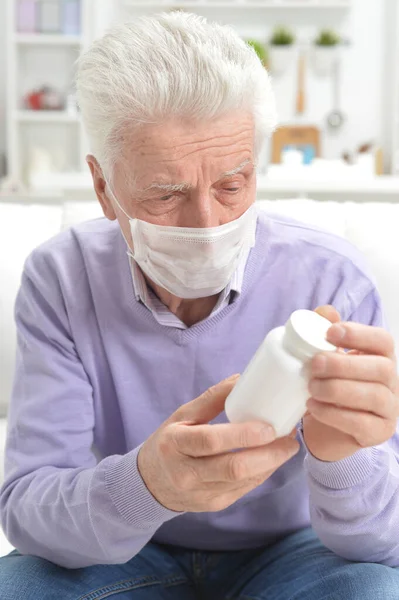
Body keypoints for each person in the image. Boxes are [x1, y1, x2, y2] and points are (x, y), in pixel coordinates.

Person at [1, 11, 399, 600]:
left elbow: (381, 547)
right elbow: (27, 511)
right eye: (165, 194)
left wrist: (341, 458)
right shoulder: (62, 277)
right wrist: (147, 487)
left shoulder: (333, 279)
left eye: (232, 186)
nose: (208, 224)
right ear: (103, 188)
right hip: (124, 551)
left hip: (294, 550)